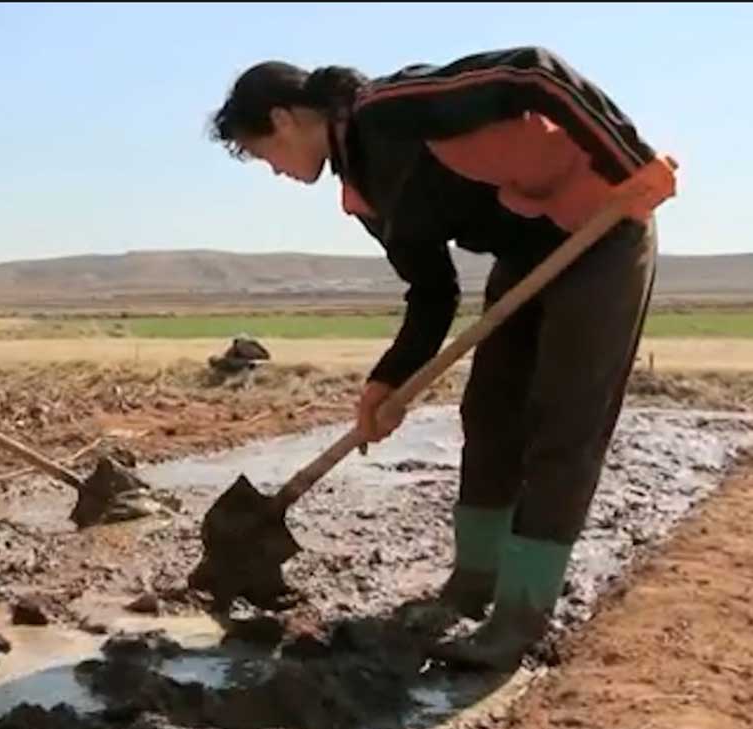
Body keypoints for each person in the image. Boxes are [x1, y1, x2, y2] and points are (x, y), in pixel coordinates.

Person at [209, 47, 667, 669]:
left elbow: (531, 71)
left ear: (285, 119)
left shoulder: (395, 108)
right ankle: (473, 582)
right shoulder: (365, 192)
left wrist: (626, 162)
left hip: (604, 227)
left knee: (564, 425)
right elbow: (432, 292)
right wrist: (388, 382)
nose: (274, 170)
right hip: (529, 253)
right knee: (489, 414)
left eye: (264, 154)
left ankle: (520, 616)